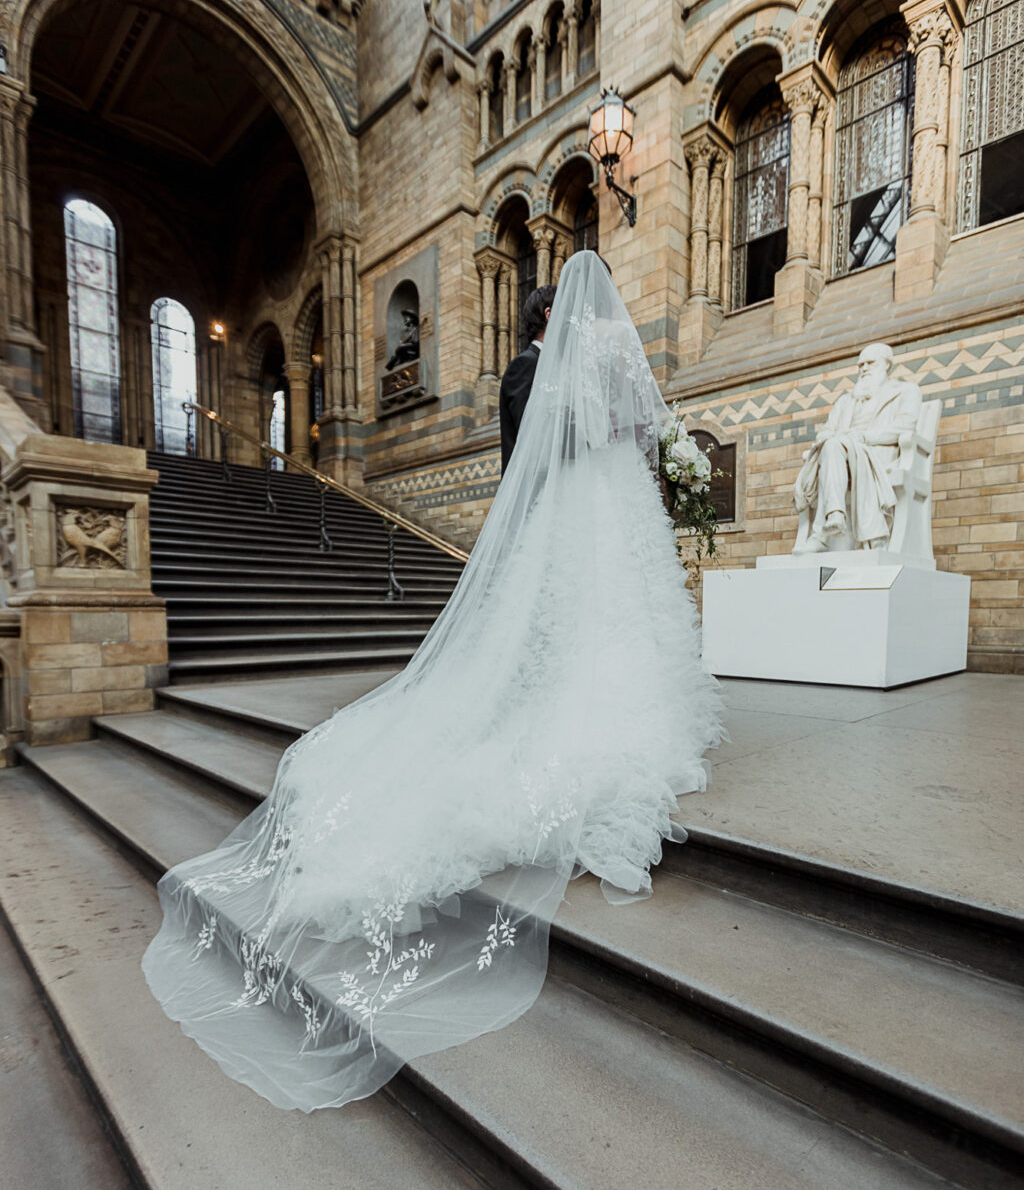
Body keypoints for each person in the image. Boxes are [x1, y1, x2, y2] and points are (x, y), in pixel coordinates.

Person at [142, 252, 724, 1113]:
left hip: (594, 509)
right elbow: (564, 441)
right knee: (584, 623)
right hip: (585, 510)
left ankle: (583, 705)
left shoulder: (563, 367)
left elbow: (584, 436)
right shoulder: (552, 369)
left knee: (604, 621)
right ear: (549, 321)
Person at [793, 342, 922, 552]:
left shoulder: (906, 391)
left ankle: (822, 535)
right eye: (860, 365)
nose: (864, 369)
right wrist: (837, 440)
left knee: (833, 446)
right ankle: (834, 516)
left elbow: (905, 425)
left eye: (870, 363)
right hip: (841, 452)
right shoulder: (846, 401)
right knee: (832, 444)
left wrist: (863, 437)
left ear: (887, 365)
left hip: (877, 453)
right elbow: (825, 431)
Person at [500, 284, 556, 473]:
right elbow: (530, 434)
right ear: (549, 314)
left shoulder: (549, 364)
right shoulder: (525, 364)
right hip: (532, 485)